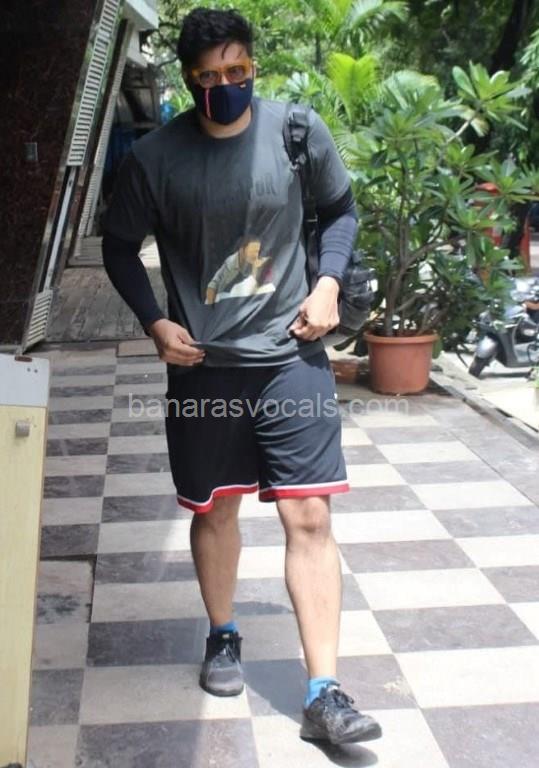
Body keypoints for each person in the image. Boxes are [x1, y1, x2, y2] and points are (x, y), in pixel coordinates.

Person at [101, 7, 382, 747]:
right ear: (188, 80)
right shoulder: (155, 157)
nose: (224, 86)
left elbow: (340, 211)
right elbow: (119, 247)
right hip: (205, 368)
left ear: (253, 65)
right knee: (216, 509)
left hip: (292, 357)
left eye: (237, 70)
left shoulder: (296, 131)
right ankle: (223, 633)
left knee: (310, 515)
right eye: (208, 77)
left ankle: (324, 691)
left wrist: (328, 283)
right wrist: (154, 322)